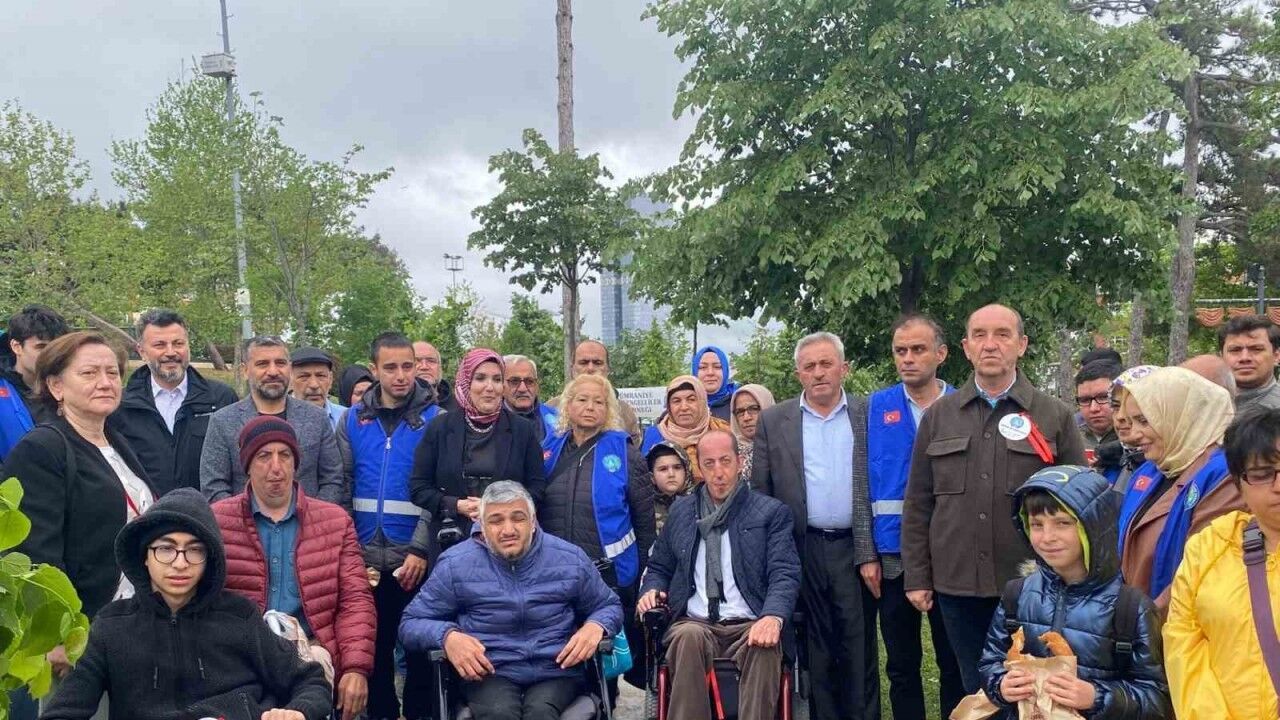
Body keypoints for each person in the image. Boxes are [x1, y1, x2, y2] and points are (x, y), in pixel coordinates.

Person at [901, 304, 1086, 694]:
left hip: (1035, 585)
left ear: (1022, 345)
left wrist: (1077, 577)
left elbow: (1081, 503)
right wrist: (917, 577)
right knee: (972, 689)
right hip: (957, 585)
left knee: (1033, 689)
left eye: (1002, 334)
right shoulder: (939, 417)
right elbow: (918, 502)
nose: (990, 345)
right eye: (979, 335)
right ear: (966, 348)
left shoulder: (1054, 416)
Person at [39, 487, 333, 720]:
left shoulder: (240, 616)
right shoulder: (111, 627)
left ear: (209, 558)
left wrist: (297, 711)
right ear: (144, 556)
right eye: (166, 549)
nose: (180, 563)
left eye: (194, 550)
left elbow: (310, 681)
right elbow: (63, 711)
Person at [1, 331, 159, 699]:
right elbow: (34, 554)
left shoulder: (115, 442)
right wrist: (56, 636)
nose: (105, 382)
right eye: (89, 373)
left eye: (112, 372)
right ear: (56, 386)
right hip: (81, 638)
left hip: (136, 625)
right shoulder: (43, 449)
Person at [400, 481, 623, 720]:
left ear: (533, 521)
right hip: (489, 671)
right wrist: (447, 637)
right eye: (496, 521)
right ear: (482, 524)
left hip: (556, 669)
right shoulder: (455, 564)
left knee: (540, 713)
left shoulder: (570, 558)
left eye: (518, 518)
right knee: (500, 713)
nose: (508, 530)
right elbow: (411, 622)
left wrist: (596, 626)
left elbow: (608, 605)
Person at [213, 416, 376, 720]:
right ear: (247, 464)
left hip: (312, 653)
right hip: (242, 658)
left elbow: (355, 599)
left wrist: (356, 668)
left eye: (285, 455)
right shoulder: (218, 522)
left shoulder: (334, 521)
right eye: (264, 456)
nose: (276, 467)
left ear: (296, 462)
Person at [752, 331, 877, 720]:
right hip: (800, 548)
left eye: (826, 364)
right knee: (815, 650)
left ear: (844, 368)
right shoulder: (774, 421)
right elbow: (761, 493)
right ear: (798, 374)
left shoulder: (868, 413)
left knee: (858, 646)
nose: (819, 373)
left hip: (856, 548)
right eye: (809, 366)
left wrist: (871, 551)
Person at [977, 467, 1171, 718]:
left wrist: (1096, 697)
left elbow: (1157, 698)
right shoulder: (1017, 595)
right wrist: (1000, 685)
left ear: (1094, 527)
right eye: (1037, 524)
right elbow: (990, 662)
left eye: (1062, 523)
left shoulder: (1130, 608)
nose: (1047, 537)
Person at [638, 430, 801, 720]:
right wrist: (651, 589)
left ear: (740, 462)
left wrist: (773, 616)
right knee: (687, 637)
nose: (718, 472)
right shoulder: (682, 512)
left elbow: (784, 572)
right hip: (695, 622)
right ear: (699, 467)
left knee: (764, 645)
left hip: (750, 621)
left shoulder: (770, 513)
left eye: (725, 461)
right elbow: (660, 566)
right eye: (709, 463)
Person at [336, 331, 441, 720]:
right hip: (364, 558)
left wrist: (420, 548)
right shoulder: (352, 419)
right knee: (373, 653)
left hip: (414, 560)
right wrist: (351, 552)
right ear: (374, 369)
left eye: (407, 366)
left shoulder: (436, 420)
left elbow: (438, 488)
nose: (401, 376)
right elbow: (342, 486)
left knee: (419, 653)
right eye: (391, 367)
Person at [863, 314, 964, 720]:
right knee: (901, 665)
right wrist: (866, 554)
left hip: (952, 556)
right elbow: (861, 483)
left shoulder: (964, 407)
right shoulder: (874, 408)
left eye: (918, 349)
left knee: (954, 661)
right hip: (893, 557)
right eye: (900, 351)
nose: (907, 358)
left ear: (941, 353)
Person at [541, 373, 655, 693]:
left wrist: (640, 576)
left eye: (599, 402)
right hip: (555, 572)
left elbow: (644, 521)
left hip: (609, 575)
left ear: (609, 409)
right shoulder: (548, 450)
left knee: (604, 660)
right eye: (582, 399)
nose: (590, 407)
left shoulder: (625, 452)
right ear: (568, 405)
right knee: (562, 655)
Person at [1164, 407, 1280, 718]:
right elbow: (1183, 644)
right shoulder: (1209, 546)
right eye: (1262, 473)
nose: (1278, 485)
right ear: (1239, 483)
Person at [1114, 366, 1244, 609]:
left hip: (1182, 623)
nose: (1134, 434)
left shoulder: (1225, 474)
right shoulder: (1150, 470)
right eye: (1132, 421)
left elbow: (1203, 567)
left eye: (1144, 420)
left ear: (1182, 415)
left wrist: (1146, 620)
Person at [409, 349, 547, 559]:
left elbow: (537, 488)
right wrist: (457, 505)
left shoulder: (522, 430)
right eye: (480, 378)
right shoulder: (440, 427)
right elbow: (418, 488)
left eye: (497, 379)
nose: (490, 387)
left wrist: (495, 507)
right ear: (466, 383)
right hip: (451, 543)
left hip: (507, 543)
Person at [109, 309, 239, 495]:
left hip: (208, 509)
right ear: (142, 351)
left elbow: (237, 465)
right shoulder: (120, 405)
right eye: (160, 345)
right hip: (149, 511)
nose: (170, 352)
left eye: (178, 343)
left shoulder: (221, 398)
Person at [200, 336, 344, 504]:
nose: (273, 371)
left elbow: (333, 479)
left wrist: (314, 516)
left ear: (289, 368)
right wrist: (242, 517)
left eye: (280, 363)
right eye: (263, 364)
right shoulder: (222, 422)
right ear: (245, 370)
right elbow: (213, 485)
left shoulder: (317, 418)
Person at [0, 304, 67, 460]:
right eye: (41, 347)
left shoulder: (73, 386)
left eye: (55, 347)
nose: (50, 355)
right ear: (16, 347)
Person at [546, 340, 642, 444]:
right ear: (572, 368)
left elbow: (634, 450)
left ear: (608, 369)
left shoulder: (625, 412)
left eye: (597, 363)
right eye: (583, 362)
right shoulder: (550, 409)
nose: (590, 368)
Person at [640, 376, 732, 482]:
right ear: (669, 406)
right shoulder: (654, 435)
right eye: (676, 401)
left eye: (691, 400)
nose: (684, 407)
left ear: (702, 402)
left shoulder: (722, 430)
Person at [1074, 360, 1129, 487]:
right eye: (1085, 400)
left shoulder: (1142, 440)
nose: (1094, 408)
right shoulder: (1068, 438)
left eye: (1103, 397)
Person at [1220, 314, 1280, 411]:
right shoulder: (1206, 406)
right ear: (1221, 357)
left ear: (1276, 356)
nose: (1244, 358)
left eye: (1256, 349)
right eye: (1235, 350)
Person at [502, 353, 558, 442]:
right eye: (514, 381)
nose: (522, 389)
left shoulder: (559, 420)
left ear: (537, 386)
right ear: (501, 385)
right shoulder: (488, 424)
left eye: (529, 381)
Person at [290, 346, 346, 430]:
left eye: (321, 376)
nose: (314, 385)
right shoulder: (277, 420)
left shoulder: (348, 418)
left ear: (330, 379)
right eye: (304, 376)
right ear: (289, 380)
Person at [730, 383, 774, 483]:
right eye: (740, 412)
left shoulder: (784, 449)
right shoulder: (729, 452)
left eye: (754, 409)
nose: (746, 418)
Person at [646, 440, 694, 534]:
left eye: (677, 467)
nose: (671, 474)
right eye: (663, 469)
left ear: (686, 471)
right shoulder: (644, 507)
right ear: (652, 477)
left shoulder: (699, 502)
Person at [693, 345, 740, 422]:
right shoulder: (684, 405)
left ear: (725, 371)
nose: (710, 373)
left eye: (717, 367)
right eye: (703, 367)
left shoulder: (739, 404)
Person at [413, 340, 459, 413]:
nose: (424, 367)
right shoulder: (396, 407)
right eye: (417, 361)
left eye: (431, 361)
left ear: (440, 368)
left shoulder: (460, 407)